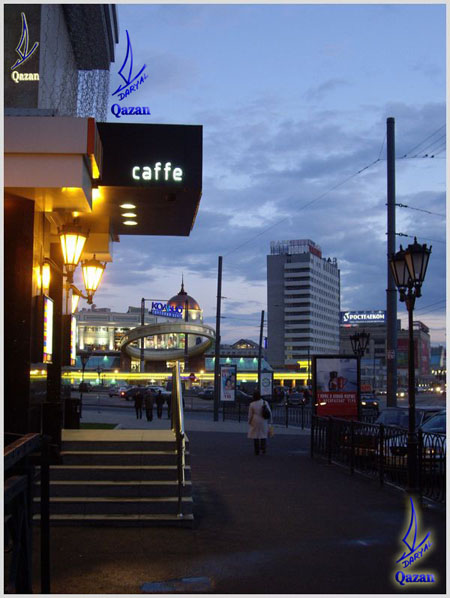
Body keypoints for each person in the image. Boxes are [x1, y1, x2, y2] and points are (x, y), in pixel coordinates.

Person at [247, 390, 272, 455]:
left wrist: (249, 421)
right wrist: (270, 422)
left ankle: (256, 450)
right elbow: (269, 412)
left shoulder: (252, 404)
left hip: (255, 420)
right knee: (263, 435)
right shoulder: (265, 402)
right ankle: (263, 448)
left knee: (255, 435)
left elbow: (250, 415)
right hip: (263, 420)